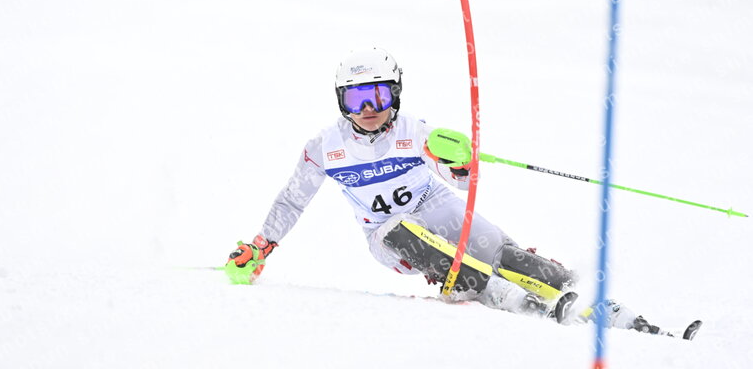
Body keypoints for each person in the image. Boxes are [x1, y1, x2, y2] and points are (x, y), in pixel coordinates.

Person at [225, 48, 646, 330]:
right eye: (355, 100)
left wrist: (461, 163)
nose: (368, 110)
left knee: (500, 252)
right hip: (386, 234)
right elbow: (293, 199)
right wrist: (262, 246)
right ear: (341, 102)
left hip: (435, 207)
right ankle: (494, 291)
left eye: (377, 96)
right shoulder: (324, 148)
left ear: (395, 95)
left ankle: (589, 299)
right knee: (398, 230)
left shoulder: (415, 132)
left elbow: (461, 180)